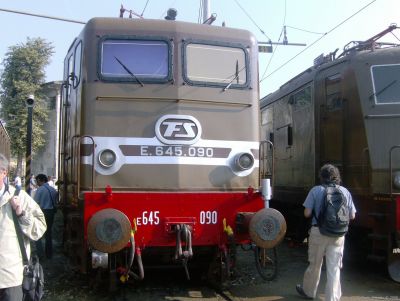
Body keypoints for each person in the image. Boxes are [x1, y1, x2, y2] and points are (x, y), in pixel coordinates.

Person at [296, 164, 356, 301]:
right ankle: (332, 298)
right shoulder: (345, 191)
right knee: (334, 268)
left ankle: (309, 292)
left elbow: (307, 213)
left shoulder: (316, 190)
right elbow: (352, 216)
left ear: (321, 177)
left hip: (318, 232)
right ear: (337, 177)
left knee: (315, 264)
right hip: (338, 234)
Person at [0, 153, 47, 301]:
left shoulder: (19, 197)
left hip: (10, 276)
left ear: (4, 172)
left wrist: (21, 213)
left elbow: (39, 229)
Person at [34, 174, 58, 260]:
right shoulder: (53, 190)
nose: (37, 183)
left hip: (42, 212)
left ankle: (40, 255)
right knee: (48, 233)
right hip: (51, 212)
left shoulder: (40, 190)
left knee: (38, 233)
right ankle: (49, 254)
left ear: (41, 180)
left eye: (37, 181)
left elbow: (35, 203)